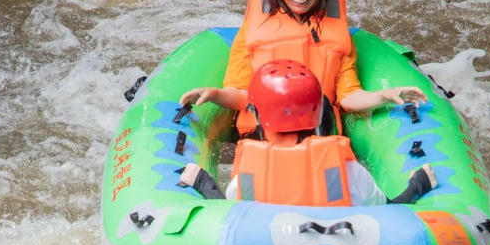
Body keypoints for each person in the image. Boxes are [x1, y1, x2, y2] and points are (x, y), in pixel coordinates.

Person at [179, 0, 427, 136]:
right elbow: (243, 94)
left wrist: (384, 95)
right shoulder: (252, 31)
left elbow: (349, 97)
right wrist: (214, 94)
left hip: (320, 131)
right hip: (264, 134)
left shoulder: (337, 34)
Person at [177, 60, 437, 207]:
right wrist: (417, 185)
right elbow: (390, 214)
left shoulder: (246, 177)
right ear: (317, 113)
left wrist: (203, 182)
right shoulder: (350, 173)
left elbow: (228, 217)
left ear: (257, 116)